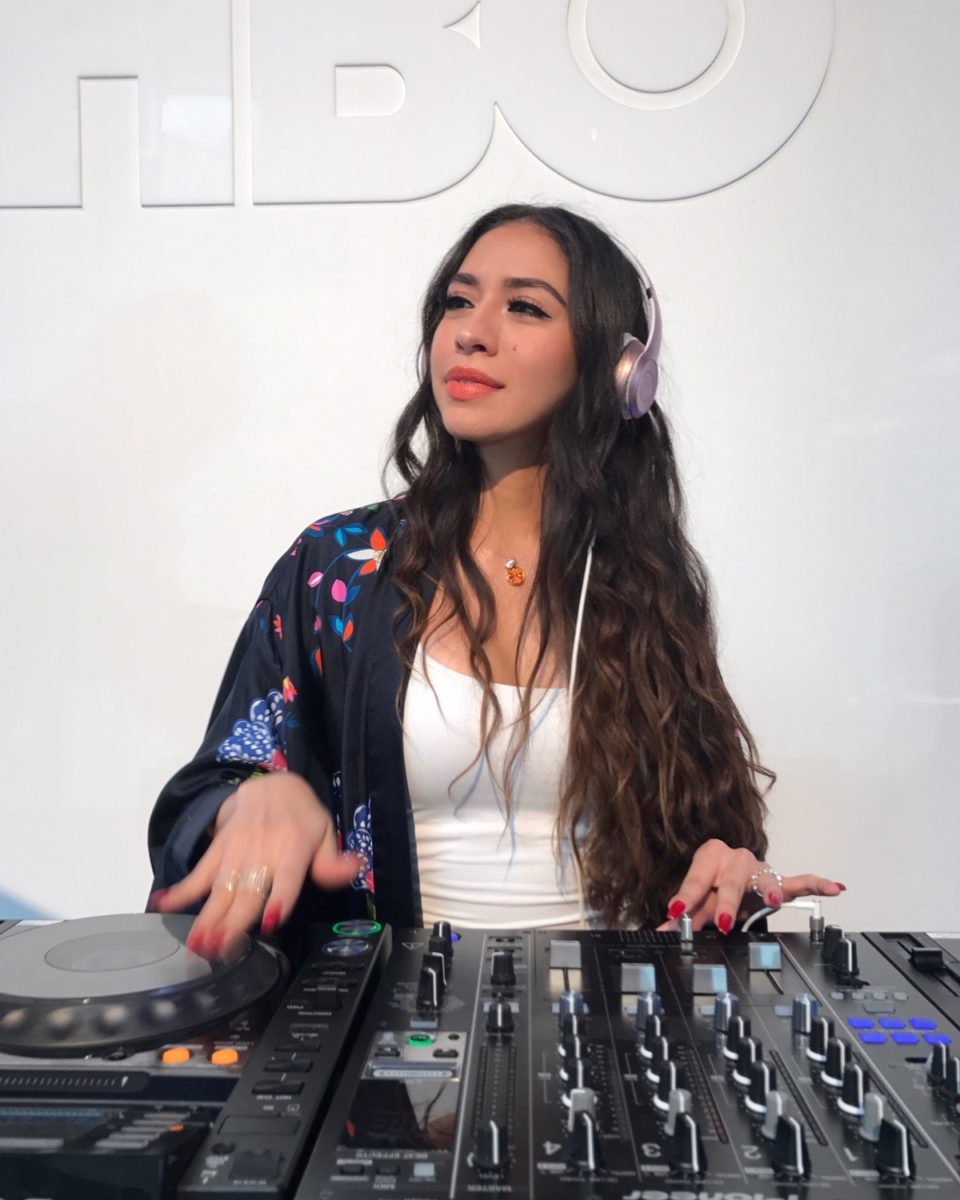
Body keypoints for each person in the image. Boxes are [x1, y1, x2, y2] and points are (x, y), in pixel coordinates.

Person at [148, 204, 843, 958]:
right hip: (386, 1030)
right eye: (457, 300)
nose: (472, 331)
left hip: (607, 1028)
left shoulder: (647, 585)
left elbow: (712, 837)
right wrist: (254, 800)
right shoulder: (337, 565)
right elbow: (207, 790)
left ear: (617, 365)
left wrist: (730, 870)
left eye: (524, 306)